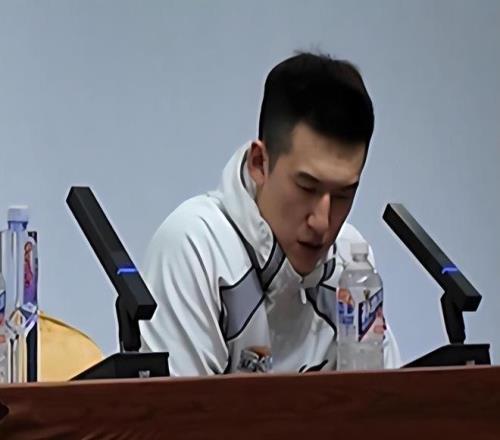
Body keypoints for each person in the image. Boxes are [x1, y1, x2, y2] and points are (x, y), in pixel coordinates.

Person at [139, 52, 401, 375]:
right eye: (306, 188)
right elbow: (184, 408)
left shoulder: (352, 266)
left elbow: (389, 402)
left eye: (343, 195)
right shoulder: (195, 248)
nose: (322, 222)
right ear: (259, 163)